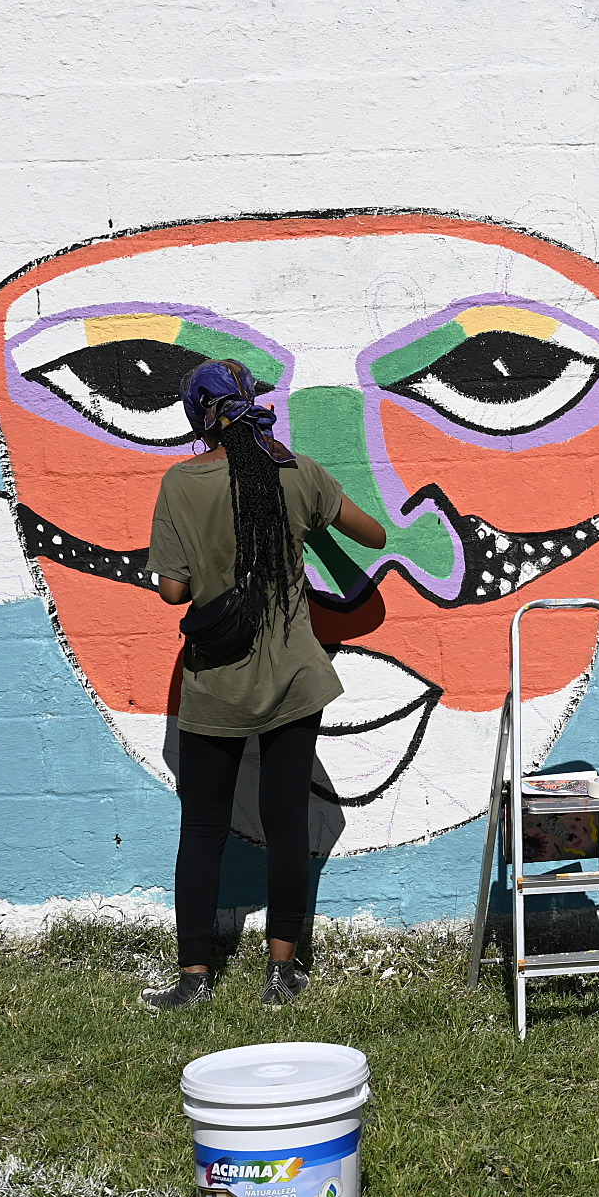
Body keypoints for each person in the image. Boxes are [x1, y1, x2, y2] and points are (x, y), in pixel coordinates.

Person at [139, 360, 388, 1010]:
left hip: (215, 683)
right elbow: (374, 533)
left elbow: (172, 592)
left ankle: (194, 979)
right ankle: (281, 974)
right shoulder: (298, 474)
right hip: (293, 679)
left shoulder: (180, 484)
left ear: (200, 421)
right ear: (253, 407)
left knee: (202, 832)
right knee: (287, 825)